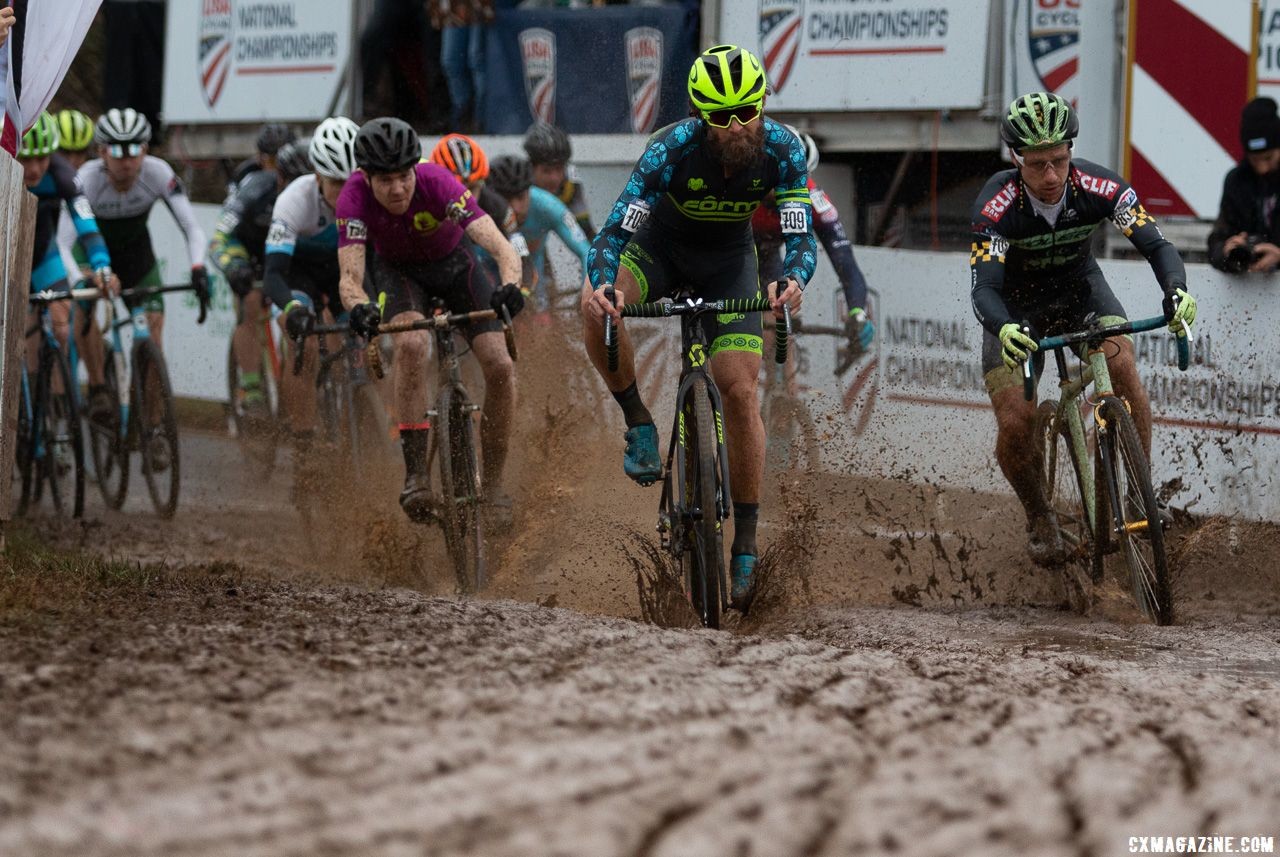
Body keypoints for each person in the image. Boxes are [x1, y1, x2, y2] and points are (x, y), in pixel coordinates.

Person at [580, 44, 813, 609]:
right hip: (659, 250)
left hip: (730, 262)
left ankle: (748, 543)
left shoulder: (782, 149)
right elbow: (614, 232)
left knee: (738, 389)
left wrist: (794, 281)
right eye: (720, 116)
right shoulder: (670, 149)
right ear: (698, 115)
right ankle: (637, 418)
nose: (736, 126)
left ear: (762, 102)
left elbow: (799, 235)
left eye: (747, 110)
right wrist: (606, 284)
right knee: (591, 303)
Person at [970, 92, 1197, 566]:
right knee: (1016, 421)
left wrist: (1176, 290)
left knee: (1124, 367)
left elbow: (1157, 245)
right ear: (1016, 159)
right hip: (1015, 310)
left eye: (1059, 160)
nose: (1051, 176)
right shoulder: (996, 206)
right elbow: (984, 289)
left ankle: (1137, 493)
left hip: (1081, 293)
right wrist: (1004, 327)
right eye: (1037, 165)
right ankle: (1039, 517)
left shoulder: (1100, 186)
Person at [336, 117, 525, 524]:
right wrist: (359, 307)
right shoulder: (351, 199)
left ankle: (492, 486)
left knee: (500, 364)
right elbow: (350, 278)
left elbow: (501, 248)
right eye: (385, 181)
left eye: (403, 176)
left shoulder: (437, 182)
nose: (399, 188)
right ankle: (416, 475)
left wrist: (510, 285)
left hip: (455, 267)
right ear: (365, 177)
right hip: (399, 273)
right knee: (410, 345)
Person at [77, 108, 211, 469]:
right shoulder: (85, 180)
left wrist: (198, 267)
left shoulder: (158, 173)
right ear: (102, 152)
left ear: (146, 149)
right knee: (80, 316)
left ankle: (153, 430)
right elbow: (64, 237)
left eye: (135, 149)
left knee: (152, 333)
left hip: (137, 256)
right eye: (117, 151)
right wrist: (91, 274)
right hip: (90, 251)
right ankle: (98, 388)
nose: (127, 161)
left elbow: (192, 228)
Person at [265, 118, 359, 495]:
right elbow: (273, 275)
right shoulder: (293, 200)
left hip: (344, 271)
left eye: (351, 182)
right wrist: (292, 308)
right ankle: (303, 445)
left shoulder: (366, 196)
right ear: (318, 175)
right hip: (298, 275)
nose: (344, 192)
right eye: (336, 182)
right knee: (299, 343)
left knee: (366, 335)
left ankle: (367, 416)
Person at [210, 137, 311, 419]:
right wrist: (233, 267)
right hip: (250, 254)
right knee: (251, 305)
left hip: (286, 255)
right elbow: (220, 236)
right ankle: (252, 388)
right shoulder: (255, 187)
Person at [753, 126, 874, 358]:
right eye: (782, 182)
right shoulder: (744, 186)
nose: (789, 191)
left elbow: (843, 258)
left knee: (781, 314)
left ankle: (783, 392)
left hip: (768, 253)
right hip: (735, 247)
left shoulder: (814, 198)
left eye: (798, 182)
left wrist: (858, 312)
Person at [21, 111, 113, 368]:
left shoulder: (64, 174)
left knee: (61, 330)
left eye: (42, 158)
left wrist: (102, 266)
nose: (34, 169)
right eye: (25, 159)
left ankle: (57, 405)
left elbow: (87, 227)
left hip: (42, 254)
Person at [487, 154, 589, 315]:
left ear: (530, 190)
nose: (516, 208)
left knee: (539, 320)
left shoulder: (548, 205)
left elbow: (586, 252)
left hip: (534, 277)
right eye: (506, 199)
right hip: (489, 272)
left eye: (520, 197)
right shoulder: (481, 212)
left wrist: (587, 293)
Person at [1207, 96, 1280, 274]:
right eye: (1255, 160)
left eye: (1268, 158)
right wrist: (1228, 250)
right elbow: (1216, 240)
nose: (1262, 168)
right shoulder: (1237, 182)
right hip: (1246, 293)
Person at [523, 122, 595, 239]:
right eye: (546, 171)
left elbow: (586, 232)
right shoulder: (521, 188)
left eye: (559, 169)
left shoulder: (570, 185)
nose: (554, 178)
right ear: (531, 168)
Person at [430, 0, 494, 131]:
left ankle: (480, 120)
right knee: (451, 62)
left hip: (480, 5)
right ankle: (462, 117)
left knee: (476, 60)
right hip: (454, 5)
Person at [229, 123, 296, 190]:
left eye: (287, 163)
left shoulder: (299, 179)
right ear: (260, 158)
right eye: (273, 162)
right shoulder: (246, 177)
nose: (281, 170)